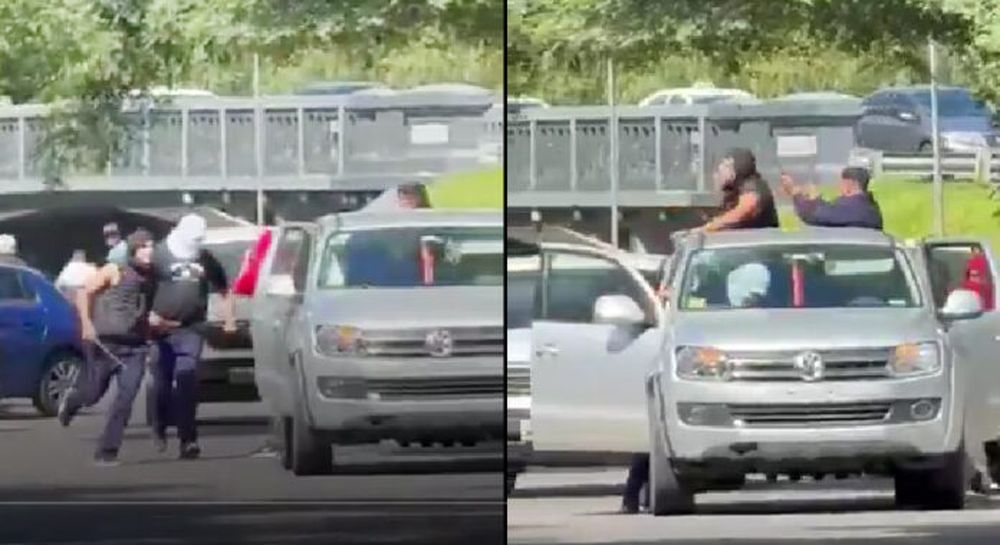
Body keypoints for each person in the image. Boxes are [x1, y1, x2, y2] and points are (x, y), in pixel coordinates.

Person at [59, 229, 157, 466]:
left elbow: (147, 309)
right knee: (93, 393)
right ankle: (73, 400)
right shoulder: (114, 270)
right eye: (143, 247)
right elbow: (84, 292)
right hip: (106, 343)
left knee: (125, 399)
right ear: (133, 250)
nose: (149, 251)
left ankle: (107, 451)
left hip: (135, 347)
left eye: (151, 246)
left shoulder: (153, 276)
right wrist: (86, 324)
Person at [149, 214, 236, 459]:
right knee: (161, 384)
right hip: (160, 330)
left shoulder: (205, 258)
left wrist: (229, 319)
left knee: (186, 381)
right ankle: (159, 426)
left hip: (191, 328)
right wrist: (147, 317)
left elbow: (224, 289)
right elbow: (142, 289)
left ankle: (188, 440)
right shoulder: (159, 254)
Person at [698, 148, 779, 232]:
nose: (721, 169)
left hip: (759, 238)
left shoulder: (753, 185)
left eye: (727, 166)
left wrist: (709, 227)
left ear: (739, 167)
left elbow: (743, 210)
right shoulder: (733, 190)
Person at [780, 167, 883, 230]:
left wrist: (796, 194)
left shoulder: (851, 207)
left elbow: (815, 216)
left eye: (841, 183)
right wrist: (814, 200)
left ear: (850, 184)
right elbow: (831, 211)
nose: (838, 187)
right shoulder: (870, 207)